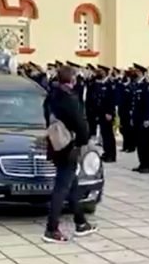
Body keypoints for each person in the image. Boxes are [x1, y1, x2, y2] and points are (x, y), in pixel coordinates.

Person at [42, 65, 96, 243]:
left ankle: (81, 222)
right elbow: (81, 124)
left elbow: (47, 118)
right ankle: (51, 229)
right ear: (72, 79)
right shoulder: (69, 98)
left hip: (56, 144)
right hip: (69, 147)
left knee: (72, 185)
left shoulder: (51, 96)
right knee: (61, 187)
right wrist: (83, 141)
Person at [131, 64, 149, 174]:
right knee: (139, 142)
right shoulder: (137, 85)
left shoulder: (147, 86)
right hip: (137, 119)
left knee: (146, 142)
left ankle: (148, 165)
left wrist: (148, 119)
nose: (135, 73)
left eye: (137, 71)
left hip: (144, 119)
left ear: (141, 73)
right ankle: (142, 163)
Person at [98, 66, 117, 163]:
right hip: (102, 113)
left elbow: (112, 100)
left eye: (100, 71)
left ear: (105, 72)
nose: (99, 72)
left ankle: (111, 155)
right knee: (104, 134)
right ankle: (106, 152)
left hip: (108, 114)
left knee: (109, 135)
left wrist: (109, 113)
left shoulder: (110, 84)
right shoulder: (102, 83)